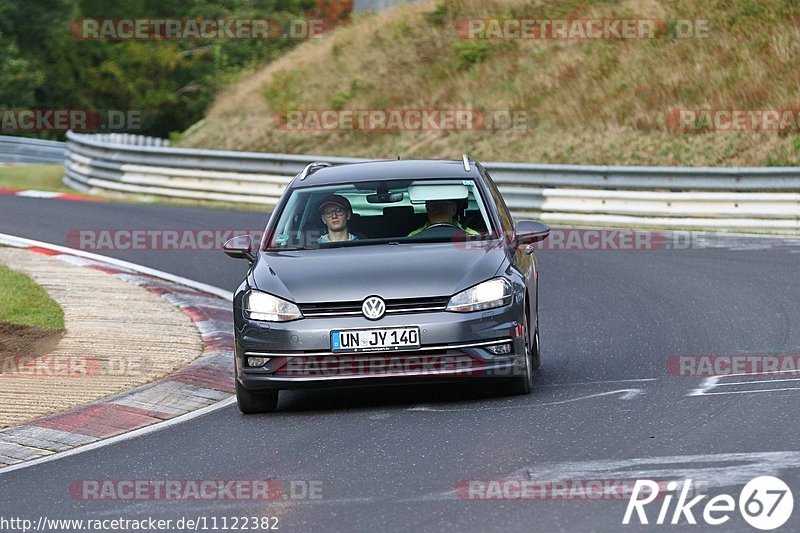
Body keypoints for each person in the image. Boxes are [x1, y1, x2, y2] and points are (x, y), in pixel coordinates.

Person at [408, 199, 479, 237]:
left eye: (443, 206)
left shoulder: (472, 235)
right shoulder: (414, 236)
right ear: (427, 210)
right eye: (433, 207)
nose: (438, 211)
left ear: (454, 210)